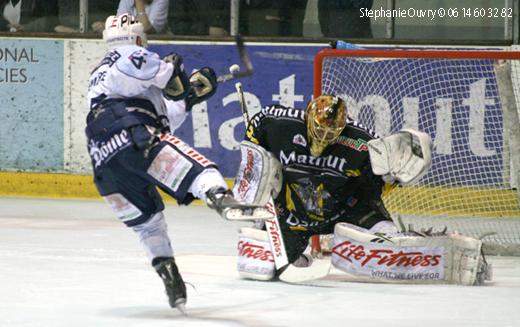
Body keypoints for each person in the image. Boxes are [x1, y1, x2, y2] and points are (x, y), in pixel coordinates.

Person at [86, 14, 271, 310]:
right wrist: (187, 81)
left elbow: (159, 111)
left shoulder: (99, 77)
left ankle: (169, 274)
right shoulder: (129, 54)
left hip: (104, 163)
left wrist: (189, 98)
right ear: (136, 37)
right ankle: (221, 198)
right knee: (200, 169)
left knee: (148, 224)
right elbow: (170, 73)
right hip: (131, 135)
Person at [234, 95, 491, 285]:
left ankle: (446, 250)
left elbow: (376, 187)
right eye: (319, 130)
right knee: (257, 266)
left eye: (331, 131)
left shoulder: (362, 143)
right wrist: (256, 165)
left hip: (348, 210)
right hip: (292, 216)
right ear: (308, 118)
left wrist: (392, 175)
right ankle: (289, 250)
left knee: (392, 246)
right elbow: (257, 127)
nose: (324, 137)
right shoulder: (278, 124)